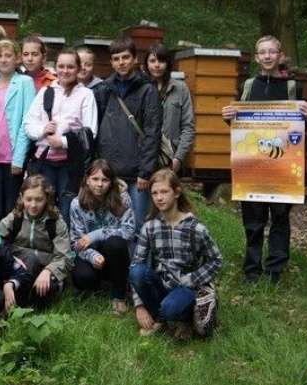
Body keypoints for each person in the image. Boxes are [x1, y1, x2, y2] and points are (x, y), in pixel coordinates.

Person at [221, 35, 307, 286]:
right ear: (256, 58)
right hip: (252, 165)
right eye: (262, 52)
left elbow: (300, 128)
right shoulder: (249, 86)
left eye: (272, 52)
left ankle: (275, 269)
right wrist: (228, 116)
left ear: (280, 55)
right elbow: (239, 124)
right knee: (253, 219)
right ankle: (252, 270)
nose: (267, 56)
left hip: (283, 165)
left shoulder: (293, 87)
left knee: (280, 218)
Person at [130, 170, 223, 339]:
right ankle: (160, 318)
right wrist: (139, 306)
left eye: (164, 192)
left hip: (186, 287)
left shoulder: (196, 228)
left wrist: (191, 279)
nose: (159, 198)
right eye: (155, 193)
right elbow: (137, 263)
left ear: (177, 192)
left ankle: (184, 317)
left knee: (170, 308)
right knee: (137, 271)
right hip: (161, 284)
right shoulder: (150, 227)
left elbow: (216, 260)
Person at [93, 36, 162, 231]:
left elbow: (152, 131)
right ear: (111, 62)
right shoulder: (105, 89)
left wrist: (146, 171)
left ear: (134, 59)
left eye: (125, 57)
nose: (121, 62)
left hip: (137, 173)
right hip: (108, 173)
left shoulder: (148, 90)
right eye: (116, 58)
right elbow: (97, 128)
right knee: (110, 223)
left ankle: (139, 262)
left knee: (139, 224)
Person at [24, 48, 97, 223]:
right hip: (45, 161)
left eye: (70, 66)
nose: (65, 71)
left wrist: (63, 142)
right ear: (55, 67)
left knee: (67, 208)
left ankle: (66, 249)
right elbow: (28, 125)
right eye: (61, 66)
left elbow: (90, 132)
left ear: (78, 68)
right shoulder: (46, 92)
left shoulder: (86, 95)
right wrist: (43, 130)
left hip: (70, 164)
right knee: (42, 206)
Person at [69, 159, 135, 316]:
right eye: (95, 179)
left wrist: (94, 235)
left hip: (116, 253)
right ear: (87, 179)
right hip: (91, 256)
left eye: (105, 180)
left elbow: (129, 231)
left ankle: (118, 296)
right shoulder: (76, 204)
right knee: (82, 277)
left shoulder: (123, 199)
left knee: (114, 243)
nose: (99, 184)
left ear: (112, 182)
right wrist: (92, 256)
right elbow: (76, 243)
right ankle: (103, 283)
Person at [0, 40, 36, 222]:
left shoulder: (24, 82)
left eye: (8, 55)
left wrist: (19, 158)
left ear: (17, 58)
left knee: (11, 210)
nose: (3, 60)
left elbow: (27, 121)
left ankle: (9, 249)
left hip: (12, 156)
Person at [0, 175, 72, 309]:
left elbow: (65, 257)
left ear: (47, 198)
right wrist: (10, 257)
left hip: (44, 269)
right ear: (21, 197)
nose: (33, 205)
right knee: (31, 259)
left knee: (47, 291)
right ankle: (15, 304)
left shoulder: (56, 222)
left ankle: (27, 299)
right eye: (28, 199)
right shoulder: (15, 217)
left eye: (39, 200)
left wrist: (48, 271)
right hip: (21, 265)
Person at [144, 44, 195, 175]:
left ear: (168, 63)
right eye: (152, 61)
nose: (157, 65)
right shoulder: (140, 88)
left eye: (161, 61)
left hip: (171, 158)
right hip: (144, 158)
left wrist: (179, 157)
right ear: (146, 63)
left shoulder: (180, 88)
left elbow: (188, 126)